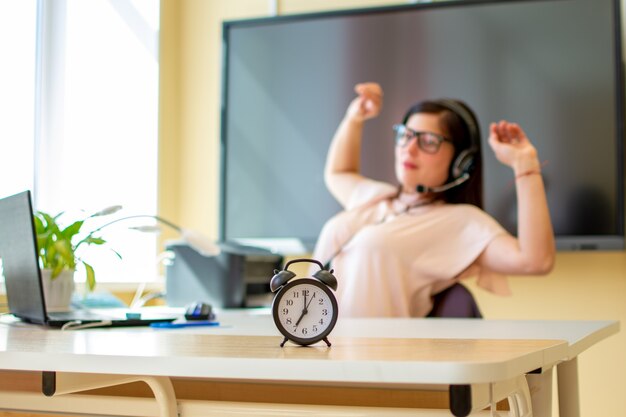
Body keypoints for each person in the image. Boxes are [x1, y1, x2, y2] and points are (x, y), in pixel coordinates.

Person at [312, 82, 555, 318]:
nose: (410, 148)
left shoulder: (459, 222)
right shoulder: (376, 198)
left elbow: (535, 261)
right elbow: (339, 172)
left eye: (428, 141)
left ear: (461, 162)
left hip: (367, 356)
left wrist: (525, 164)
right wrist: (355, 118)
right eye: (405, 135)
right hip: (308, 345)